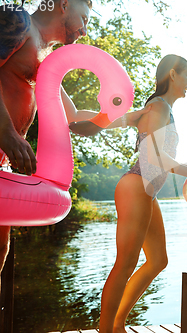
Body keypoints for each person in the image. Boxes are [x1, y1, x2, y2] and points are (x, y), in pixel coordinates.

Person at [0, 0, 149, 292]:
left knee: (0, 249)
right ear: (64, 4)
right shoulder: (15, 20)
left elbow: (74, 119)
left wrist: (131, 118)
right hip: (4, 143)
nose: (84, 29)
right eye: (84, 17)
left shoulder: (48, 56)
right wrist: (6, 131)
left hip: (3, 162)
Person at [98, 54, 187, 333]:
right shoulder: (159, 106)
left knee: (158, 260)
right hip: (136, 185)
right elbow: (154, 155)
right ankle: (106, 330)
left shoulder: (164, 109)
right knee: (125, 263)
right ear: (172, 75)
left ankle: (117, 324)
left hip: (146, 190)